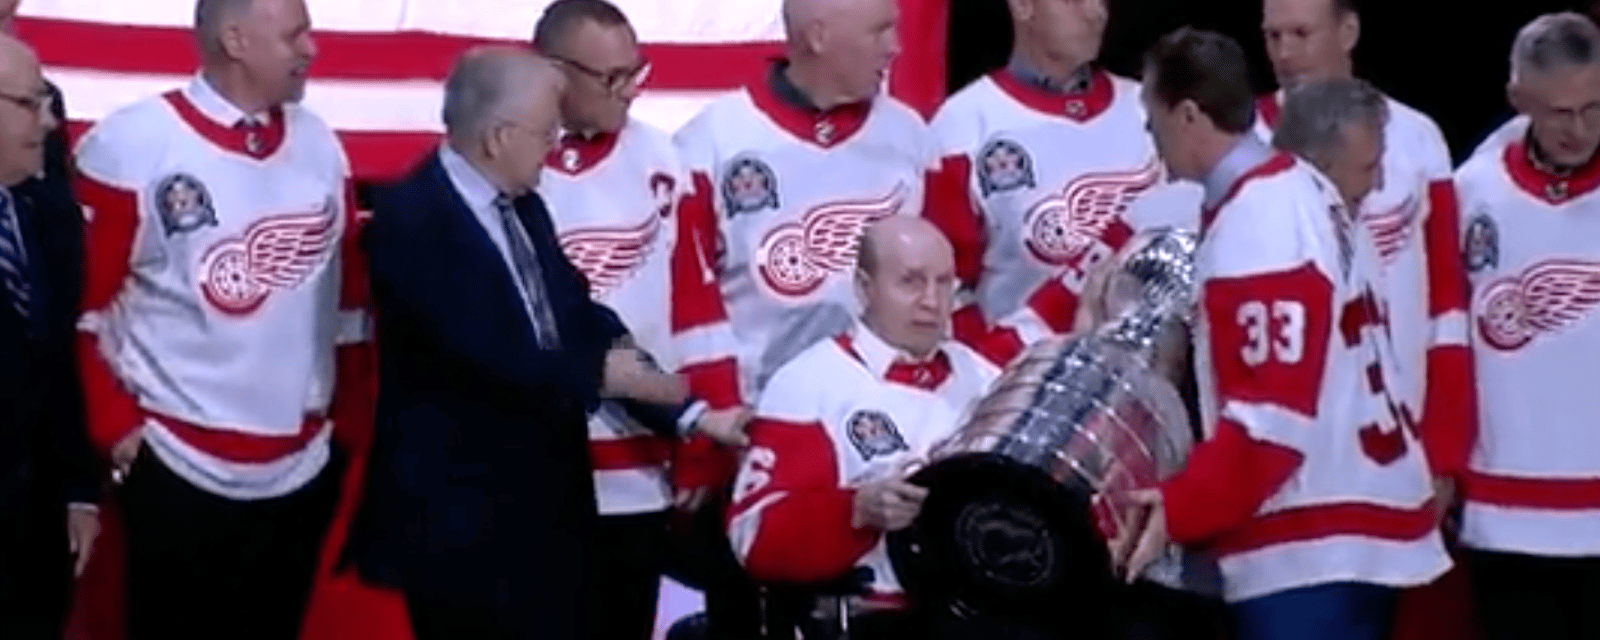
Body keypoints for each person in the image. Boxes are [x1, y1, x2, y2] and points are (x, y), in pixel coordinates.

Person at [348, 47, 698, 640]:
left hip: (549, 512)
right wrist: (610, 376)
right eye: (546, 131)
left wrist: (681, 405)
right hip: (465, 525)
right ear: (499, 136)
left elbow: (577, 312)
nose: (556, 145)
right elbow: (497, 354)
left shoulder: (525, 206)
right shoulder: (411, 221)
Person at [1113, 28, 1449, 640]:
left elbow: (1272, 420)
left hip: (1315, 540)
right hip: (1354, 522)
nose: (1148, 135)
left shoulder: (1262, 216)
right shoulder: (1301, 193)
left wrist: (1181, 506)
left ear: (1188, 115)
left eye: (1152, 117)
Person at [71, 0, 364, 637]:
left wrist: (342, 436)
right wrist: (121, 434)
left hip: (300, 470)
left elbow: (350, 309)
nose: (312, 49)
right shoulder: (132, 145)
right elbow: (80, 314)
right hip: (174, 467)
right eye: (295, 34)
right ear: (235, 40)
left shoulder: (319, 143)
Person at [669, 0, 937, 634]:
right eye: (881, 29)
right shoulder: (710, 144)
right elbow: (690, 305)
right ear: (819, 35)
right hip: (761, 437)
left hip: (901, 440)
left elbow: (952, 286)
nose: (896, 46)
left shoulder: (913, 137)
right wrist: (709, 442)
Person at [531, 1, 752, 638]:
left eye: (638, 71)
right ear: (555, 74)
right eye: (614, 78)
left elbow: (698, 309)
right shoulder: (504, 163)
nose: (632, 91)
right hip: (532, 472)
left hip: (638, 470)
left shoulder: (663, 161)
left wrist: (703, 442)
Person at [725, 216, 1000, 640]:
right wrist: (855, 511)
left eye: (944, 283)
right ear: (864, 288)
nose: (931, 300)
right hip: (881, 617)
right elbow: (754, 536)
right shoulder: (810, 382)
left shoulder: (983, 377)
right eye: (911, 282)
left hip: (991, 612)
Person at [1257, 0, 1475, 519]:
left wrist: (1445, 451)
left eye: (1301, 34)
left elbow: (1447, 304)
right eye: (1272, 36)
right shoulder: (1245, 143)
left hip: (1402, 435)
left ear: (1348, 30)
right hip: (1292, 452)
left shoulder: (1417, 137)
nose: (1285, 54)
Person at [926, 0, 1203, 366]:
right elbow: (942, 292)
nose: (1096, 12)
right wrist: (987, 370)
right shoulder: (963, 126)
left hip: (1153, 384)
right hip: (1026, 386)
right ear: (1024, 6)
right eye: (1074, 0)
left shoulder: (1149, 109)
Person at [1452, 13, 1600, 640]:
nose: (1579, 128)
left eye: (1595, 107)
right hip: (1504, 516)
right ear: (1519, 100)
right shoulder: (1468, 193)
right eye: (1559, 111)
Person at [0, 32, 98, 639]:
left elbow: (61, 357)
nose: (52, 120)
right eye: (31, 104)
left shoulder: (45, 212)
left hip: (35, 529)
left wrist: (79, 490)